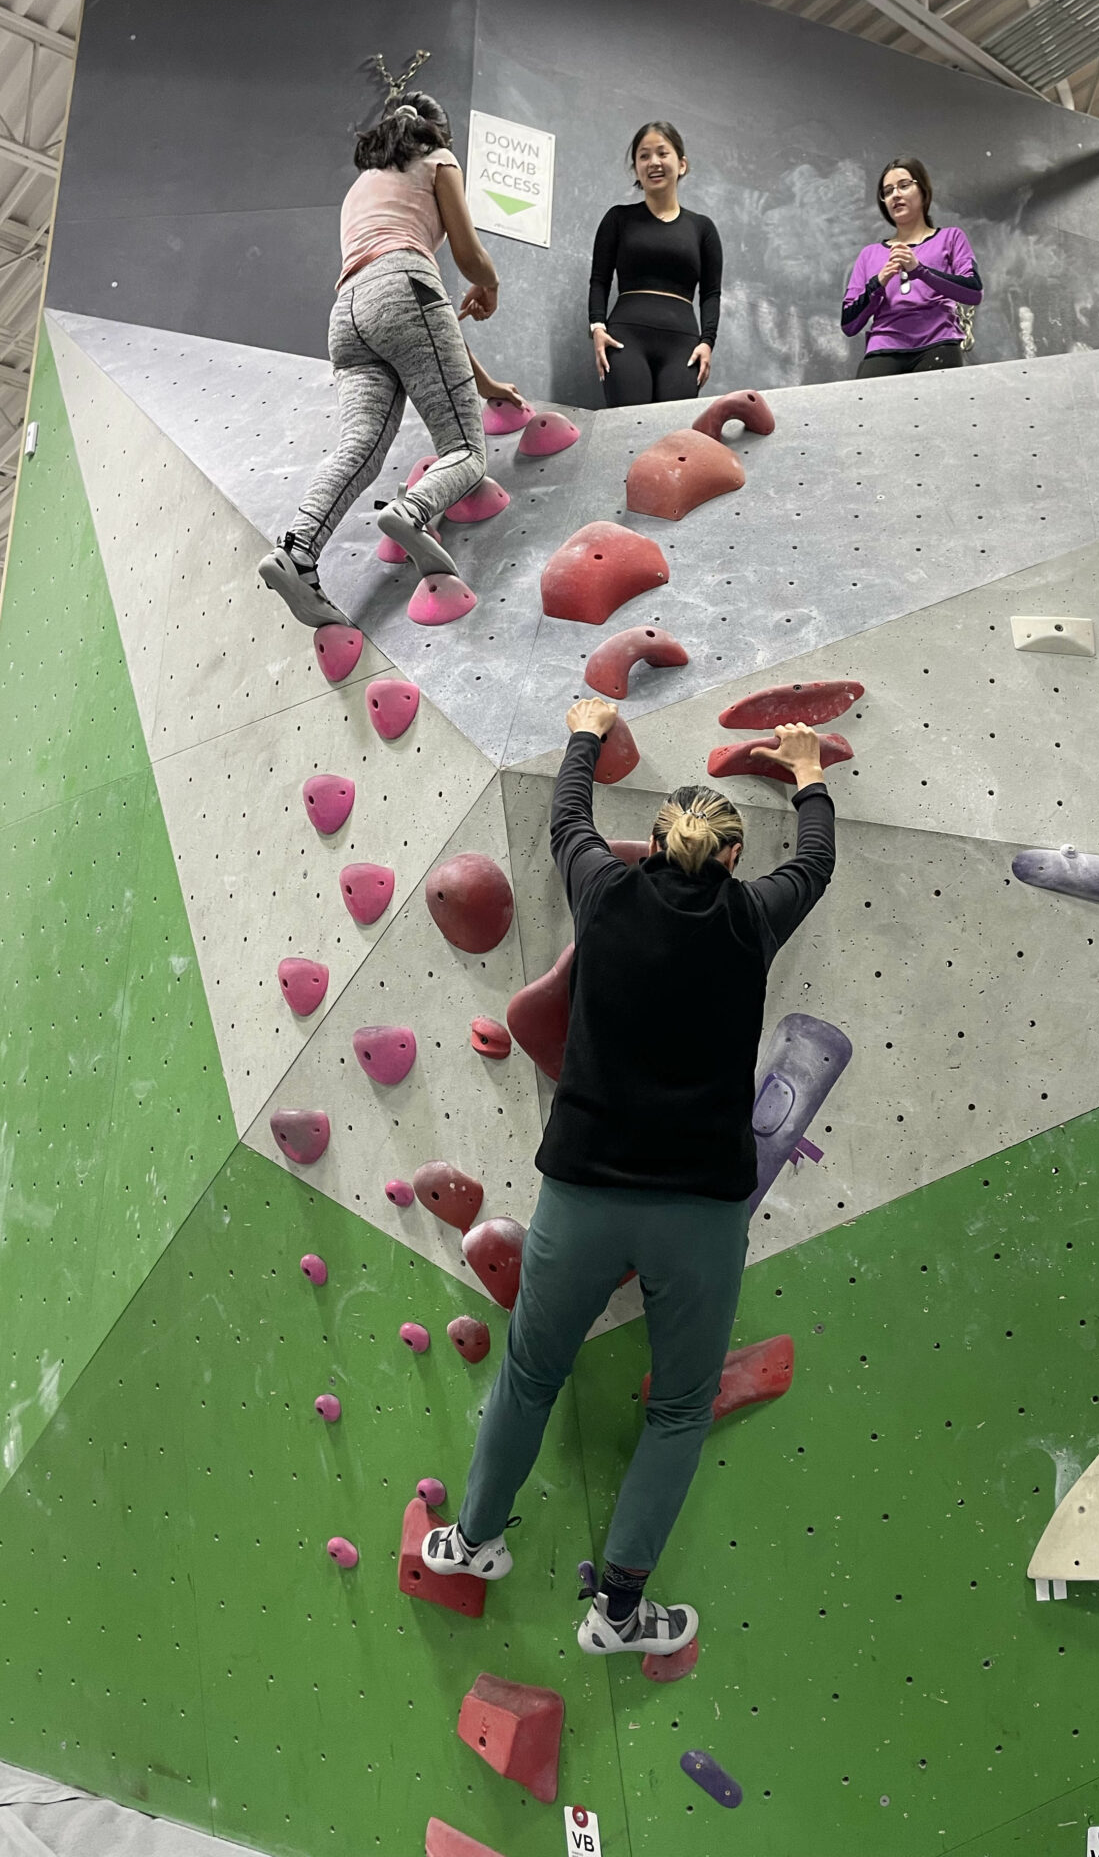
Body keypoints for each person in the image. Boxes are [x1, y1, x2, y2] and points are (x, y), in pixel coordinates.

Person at [422, 700, 837, 1656]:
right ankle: (617, 1613)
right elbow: (811, 866)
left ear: (650, 849)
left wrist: (585, 730)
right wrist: (809, 772)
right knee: (682, 1408)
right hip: (698, 1215)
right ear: (733, 860)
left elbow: (565, 817)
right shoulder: (751, 919)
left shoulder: (604, 893)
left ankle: (472, 1540)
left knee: (530, 1373)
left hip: (585, 1198)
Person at [258, 85, 527, 628]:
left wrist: (484, 382)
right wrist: (490, 283)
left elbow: (416, 323)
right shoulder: (439, 160)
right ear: (438, 136)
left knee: (357, 447)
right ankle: (413, 511)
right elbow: (464, 259)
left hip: (349, 316)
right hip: (405, 288)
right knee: (467, 451)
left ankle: (297, 550)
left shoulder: (359, 188)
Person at [588, 121, 723, 407]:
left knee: (671, 437)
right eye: (644, 155)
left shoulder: (703, 228)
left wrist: (707, 342)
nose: (654, 162)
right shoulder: (618, 219)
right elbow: (599, 280)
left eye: (663, 153)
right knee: (626, 428)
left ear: (682, 164)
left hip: (683, 346)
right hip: (625, 339)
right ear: (636, 167)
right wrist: (597, 328)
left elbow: (711, 293)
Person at [840, 156, 983, 379]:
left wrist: (920, 271)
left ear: (923, 191)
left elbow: (973, 292)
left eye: (904, 185)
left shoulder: (950, 238)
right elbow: (849, 324)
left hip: (939, 343)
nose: (895, 194)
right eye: (887, 191)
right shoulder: (870, 254)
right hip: (883, 347)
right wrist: (878, 283)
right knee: (867, 408)